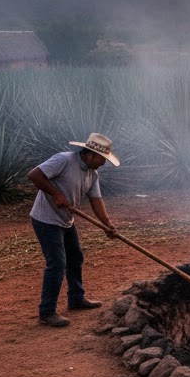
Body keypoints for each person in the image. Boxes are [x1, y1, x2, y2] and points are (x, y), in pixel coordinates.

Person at [28, 133, 119, 327]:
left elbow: (96, 200)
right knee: (57, 264)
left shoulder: (92, 173)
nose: (104, 163)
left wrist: (107, 224)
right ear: (91, 154)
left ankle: (76, 298)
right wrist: (56, 194)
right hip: (46, 219)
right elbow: (34, 175)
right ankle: (47, 312)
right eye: (102, 159)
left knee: (75, 257)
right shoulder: (64, 160)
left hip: (66, 220)